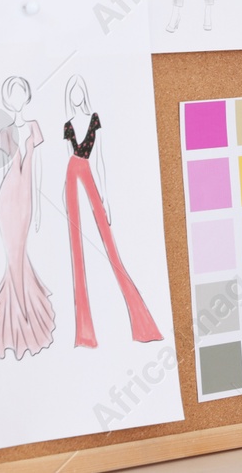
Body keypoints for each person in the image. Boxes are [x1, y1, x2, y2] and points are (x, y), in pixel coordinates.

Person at [61, 74, 162, 347]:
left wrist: (105, 197)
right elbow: (65, 159)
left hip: (89, 174)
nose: (76, 96)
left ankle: (142, 323)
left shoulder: (94, 119)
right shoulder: (68, 124)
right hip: (72, 177)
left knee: (109, 246)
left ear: (84, 93)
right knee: (77, 252)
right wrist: (63, 193)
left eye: (79, 91)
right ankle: (85, 333)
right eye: (73, 93)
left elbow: (101, 158)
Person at [0, 75, 56, 360]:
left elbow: (40, 168)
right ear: (7, 99)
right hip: (6, 200)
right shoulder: (5, 131)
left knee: (19, 257)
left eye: (22, 91)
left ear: (27, 96)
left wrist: (41, 206)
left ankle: (23, 319)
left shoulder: (34, 127)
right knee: (13, 258)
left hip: (26, 198)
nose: (18, 97)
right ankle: (20, 320)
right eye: (13, 93)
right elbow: (1, 171)